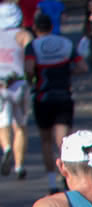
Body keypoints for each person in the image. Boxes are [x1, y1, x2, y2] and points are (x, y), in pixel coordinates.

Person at [22, 11, 85, 190]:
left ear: (35, 28)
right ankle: (66, 176)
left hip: (43, 97)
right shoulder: (65, 44)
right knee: (63, 141)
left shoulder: (33, 46)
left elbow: (29, 69)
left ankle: (51, 182)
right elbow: (82, 66)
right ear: (51, 27)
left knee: (46, 140)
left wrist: (31, 81)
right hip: (64, 95)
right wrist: (67, 73)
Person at [0, 0, 27, 179]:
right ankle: (18, 166)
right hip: (20, 83)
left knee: (3, 121)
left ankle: (7, 147)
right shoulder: (23, 35)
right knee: (21, 126)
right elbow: (32, 58)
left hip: (1, 84)